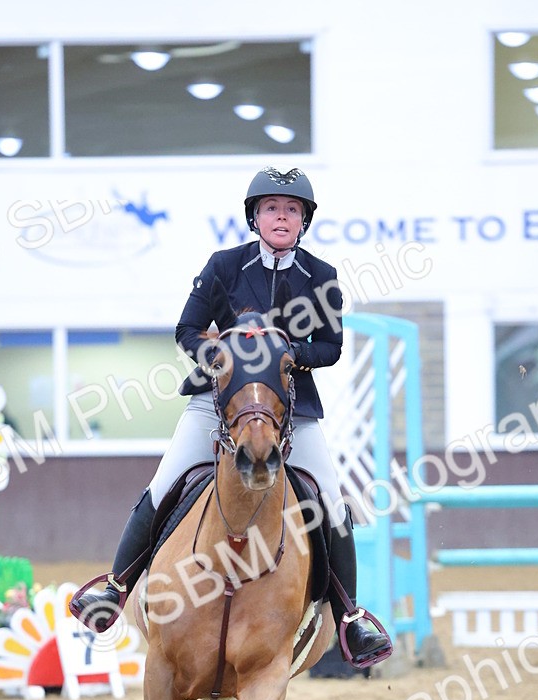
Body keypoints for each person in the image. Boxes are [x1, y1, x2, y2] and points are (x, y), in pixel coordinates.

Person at [72, 166, 391, 666]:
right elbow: (188, 329)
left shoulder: (321, 276)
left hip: (290, 410)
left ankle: (351, 617)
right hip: (217, 405)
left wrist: (286, 352)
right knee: (165, 483)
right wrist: (221, 356)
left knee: (330, 499)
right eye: (271, 209)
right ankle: (114, 587)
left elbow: (330, 346)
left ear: (303, 219)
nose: (281, 217)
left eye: (291, 210)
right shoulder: (224, 266)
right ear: (255, 217)